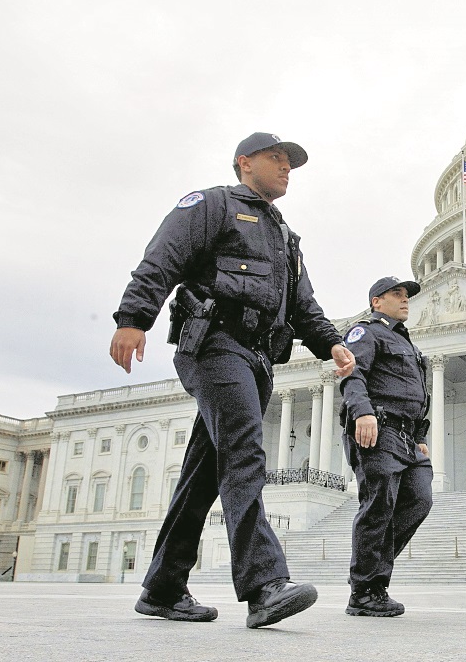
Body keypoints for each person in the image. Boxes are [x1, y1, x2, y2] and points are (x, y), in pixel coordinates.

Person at [109, 132, 355, 629]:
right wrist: (134, 317)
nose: (287, 168)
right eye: (276, 158)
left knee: (202, 477)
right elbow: (164, 256)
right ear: (245, 162)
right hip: (214, 344)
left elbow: (303, 305)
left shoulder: (285, 237)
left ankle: (162, 587)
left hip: (259, 357)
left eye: (291, 162)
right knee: (244, 451)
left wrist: (330, 342)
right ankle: (264, 585)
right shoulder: (211, 205)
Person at [339, 277, 434, 616]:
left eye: (406, 295)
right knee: (378, 506)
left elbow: (419, 394)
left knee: (419, 500)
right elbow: (351, 374)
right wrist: (362, 412)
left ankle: (371, 575)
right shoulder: (366, 333)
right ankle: (365, 590)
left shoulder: (409, 344)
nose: (405, 299)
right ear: (377, 301)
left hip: (408, 438)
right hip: (378, 430)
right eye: (397, 294)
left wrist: (421, 436)